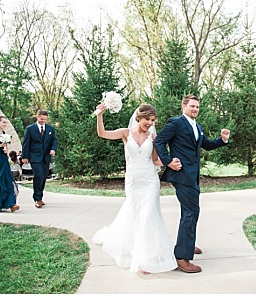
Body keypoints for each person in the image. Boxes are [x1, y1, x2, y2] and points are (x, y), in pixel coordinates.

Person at [91, 103, 178, 274]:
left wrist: (170, 163)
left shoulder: (153, 137)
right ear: (139, 117)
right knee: (135, 214)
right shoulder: (126, 133)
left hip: (150, 181)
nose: (150, 123)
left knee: (148, 215)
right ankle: (135, 250)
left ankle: (146, 258)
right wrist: (100, 115)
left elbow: (155, 160)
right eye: (147, 119)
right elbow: (102, 133)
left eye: (152, 120)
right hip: (133, 181)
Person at [154, 94, 230, 273]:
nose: (195, 109)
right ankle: (182, 257)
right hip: (181, 175)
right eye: (192, 106)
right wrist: (168, 161)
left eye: (197, 107)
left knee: (190, 212)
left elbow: (207, 144)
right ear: (184, 107)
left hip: (192, 176)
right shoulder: (176, 123)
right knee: (191, 212)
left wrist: (223, 139)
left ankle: (187, 245)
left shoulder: (197, 126)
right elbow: (159, 141)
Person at [21, 109, 58, 208]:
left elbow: (54, 141)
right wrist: (24, 156)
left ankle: (40, 197)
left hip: (46, 157)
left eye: (45, 119)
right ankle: (37, 198)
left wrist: (53, 149)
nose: (43, 121)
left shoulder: (50, 129)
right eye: (41, 119)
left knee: (44, 177)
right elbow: (26, 143)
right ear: (37, 117)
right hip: (35, 157)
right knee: (38, 175)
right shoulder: (30, 129)